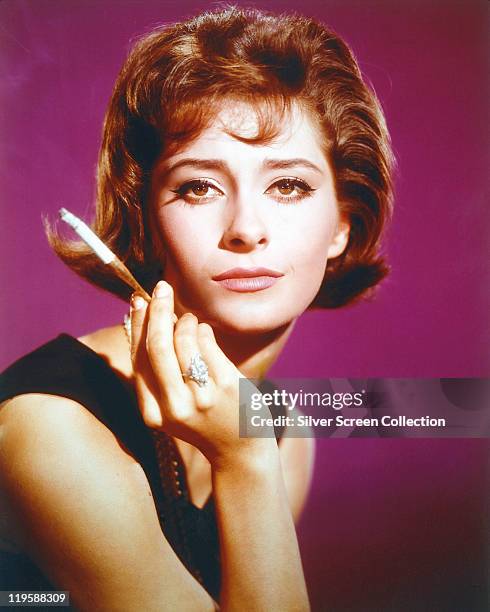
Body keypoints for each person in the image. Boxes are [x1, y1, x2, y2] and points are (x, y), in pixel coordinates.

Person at [0, 6, 393, 610]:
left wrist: (249, 455)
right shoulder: (50, 430)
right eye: (197, 186)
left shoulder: (283, 432)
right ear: (149, 222)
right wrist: (245, 461)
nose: (245, 229)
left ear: (343, 224)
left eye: (288, 184)